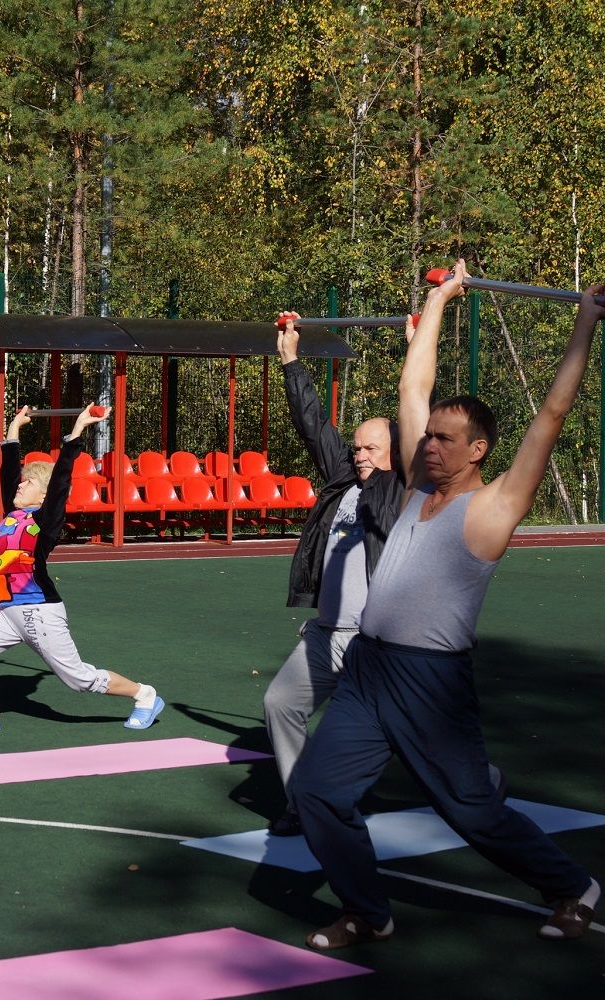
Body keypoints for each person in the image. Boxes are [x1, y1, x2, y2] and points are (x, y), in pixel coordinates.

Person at [293, 259, 605, 950]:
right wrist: (440, 297)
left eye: (444, 439)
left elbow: (553, 413)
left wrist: (585, 322)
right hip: (370, 673)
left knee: (470, 809)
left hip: (432, 683)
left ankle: (571, 886)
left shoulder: (494, 508)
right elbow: (414, 382)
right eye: (427, 435)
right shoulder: (413, 488)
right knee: (317, 790)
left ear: (479, 450)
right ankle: (365, 910)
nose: (429, 445)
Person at [261, 314, 406, 837]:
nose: (360, 454)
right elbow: (313, 423)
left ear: (395, 454)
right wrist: (291, 360)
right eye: (358, 447)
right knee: (280, 703)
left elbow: (413, 414)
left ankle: (481, 782)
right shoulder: (343, 480)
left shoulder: (401, 492)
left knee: (411, 738)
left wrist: (417, 346)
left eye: (371, 449)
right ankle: (303, 804)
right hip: (325, 637)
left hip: (376, 644)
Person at [0, 404, 162, 735]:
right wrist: (14, 427)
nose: (21, 485)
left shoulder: (44, 523)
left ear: (44, 494)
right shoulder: (11, 514)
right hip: (2, 610)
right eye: (23, 480)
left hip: (37, 609)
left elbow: (61, 477)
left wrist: (77, 431)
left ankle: (145, 695)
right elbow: (8, 469)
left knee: (78, 679)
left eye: (29, 482)